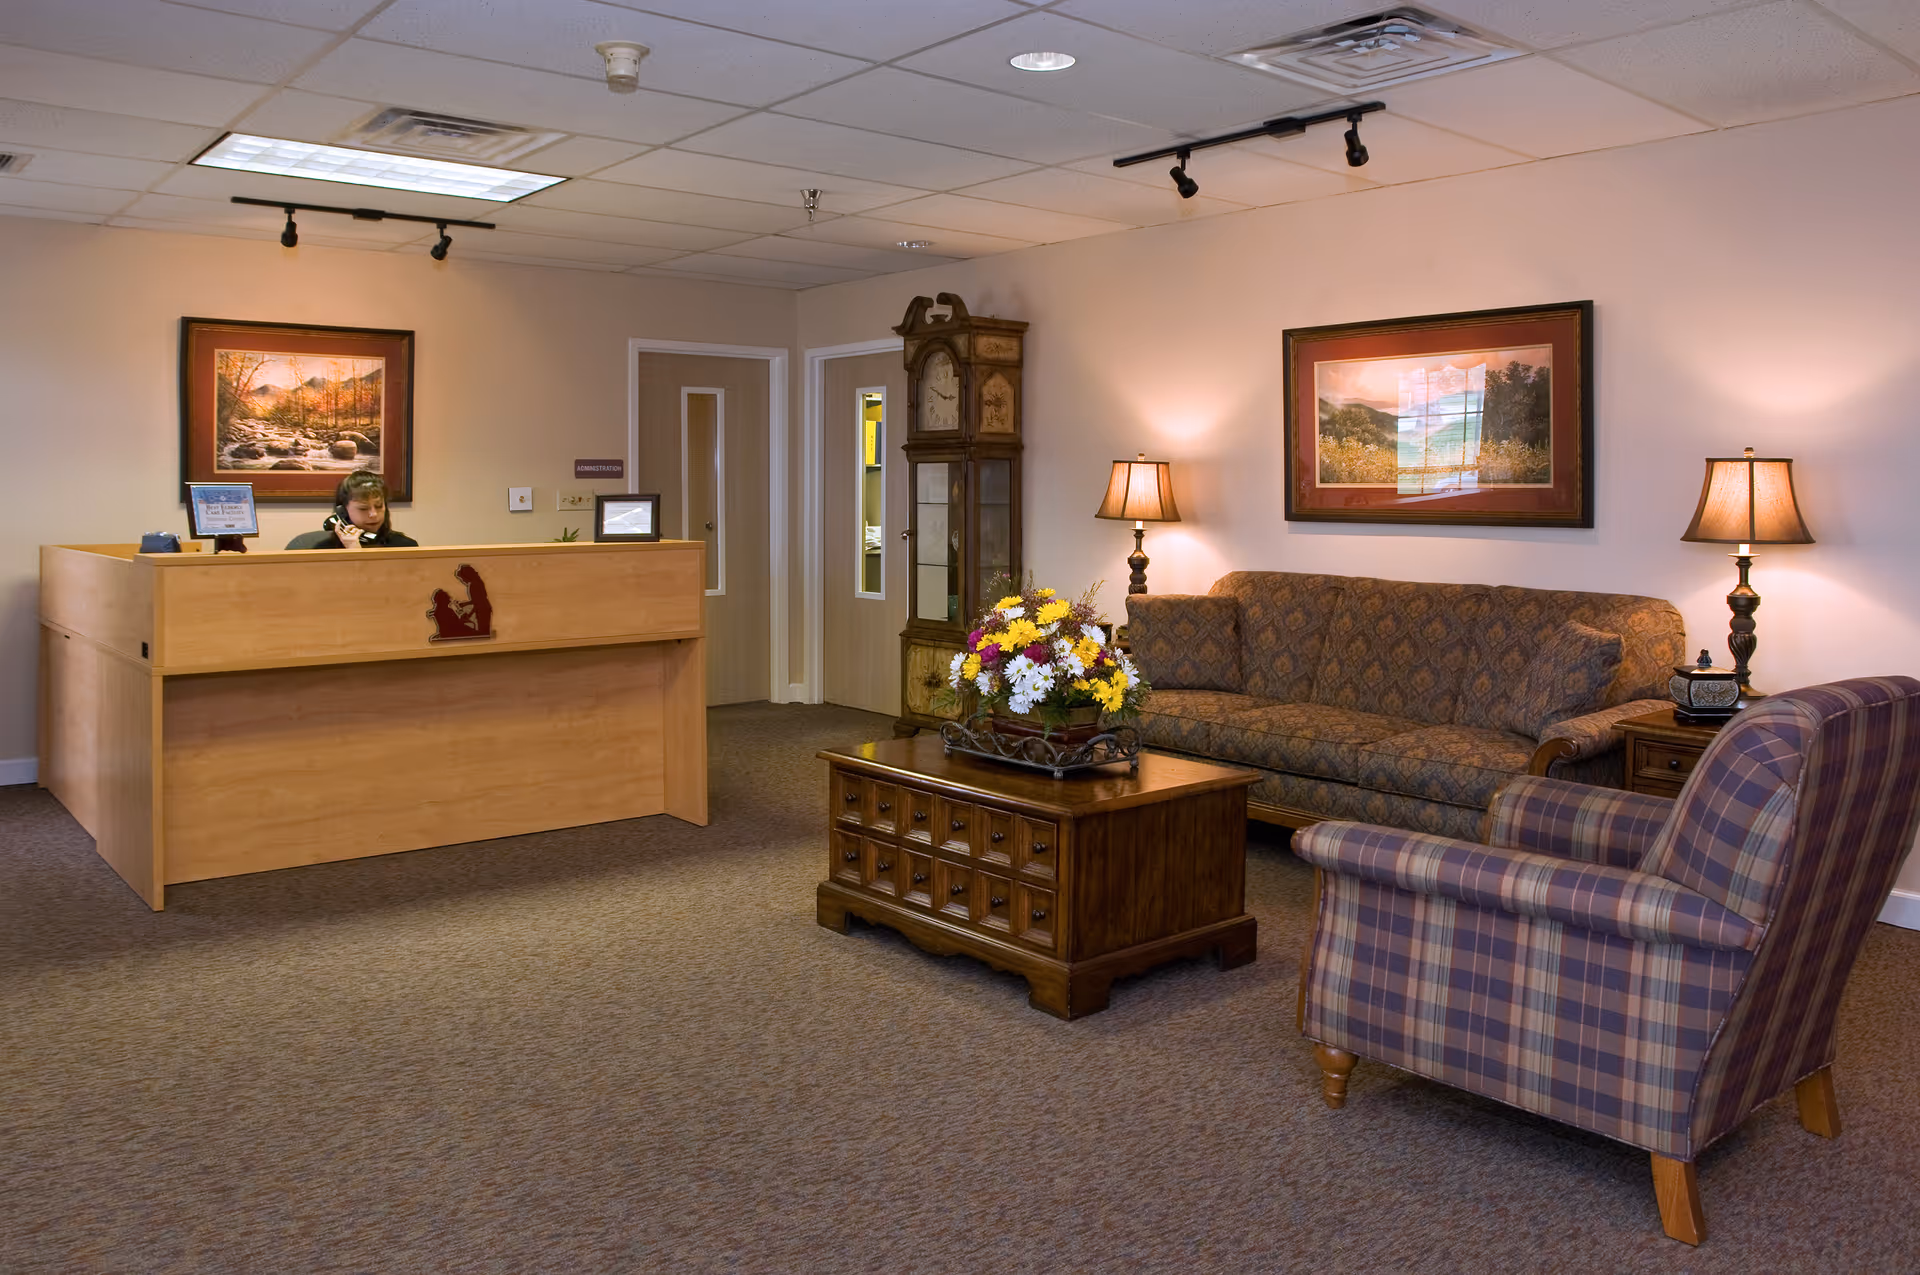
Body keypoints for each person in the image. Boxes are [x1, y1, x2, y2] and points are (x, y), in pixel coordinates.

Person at [286, 471, 418, 549]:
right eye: (363, 508)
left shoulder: (406, 547)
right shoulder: (322, 550)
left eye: (379, 506)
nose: (373, 514)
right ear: (342, 511)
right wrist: (352, 551)